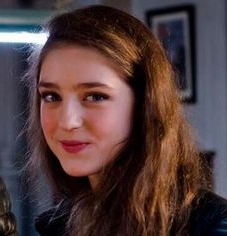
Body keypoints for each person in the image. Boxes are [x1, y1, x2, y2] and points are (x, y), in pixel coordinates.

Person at [24, 5, 227, 236]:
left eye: (95, 96)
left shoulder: (214, 226)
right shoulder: (57, 226)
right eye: (51, 96)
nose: (67, 121)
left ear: (144, 104)